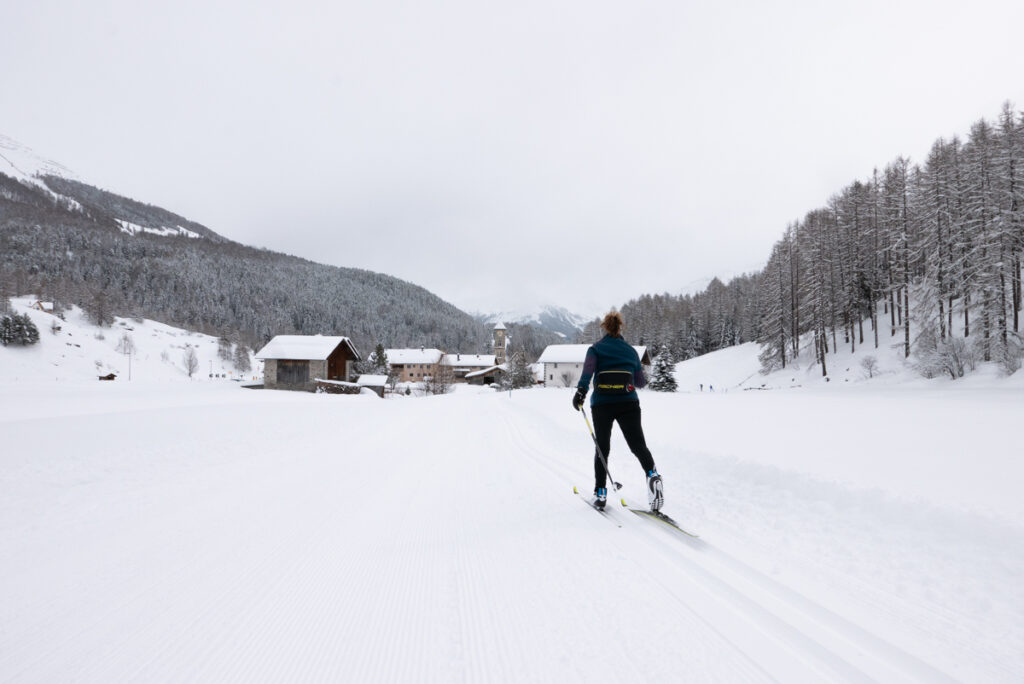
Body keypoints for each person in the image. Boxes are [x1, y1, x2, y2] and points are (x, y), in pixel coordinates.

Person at [572, 311, 663, 511]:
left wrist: (580, 393)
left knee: (602, 448)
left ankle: (601, 492)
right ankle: (652, 475)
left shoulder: (595, 349)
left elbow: (587, 373)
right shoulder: (631, 351)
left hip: (602, 405)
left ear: (604, 327)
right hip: (628, 403)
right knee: (638, 445)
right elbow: (640, 382)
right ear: (620, 328)